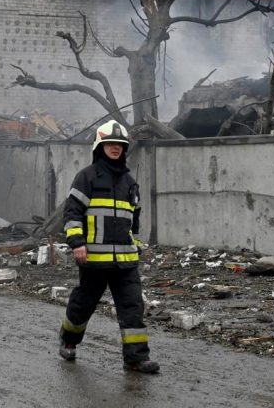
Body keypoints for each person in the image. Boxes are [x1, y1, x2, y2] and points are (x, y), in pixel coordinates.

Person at [57, 120, 159, 374]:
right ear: (100, 147)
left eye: (120, 145)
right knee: (83, 304)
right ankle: (69, 340)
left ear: (125, 149)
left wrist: (134, 246)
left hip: (125, 262)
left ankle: (136, 359)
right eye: (110, 144)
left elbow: (134, 219)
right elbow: (72, 213)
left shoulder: (129, 182)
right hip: (93, 260)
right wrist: (77, 243)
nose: (115, 148)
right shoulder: (86, 177)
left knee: (133, 307)